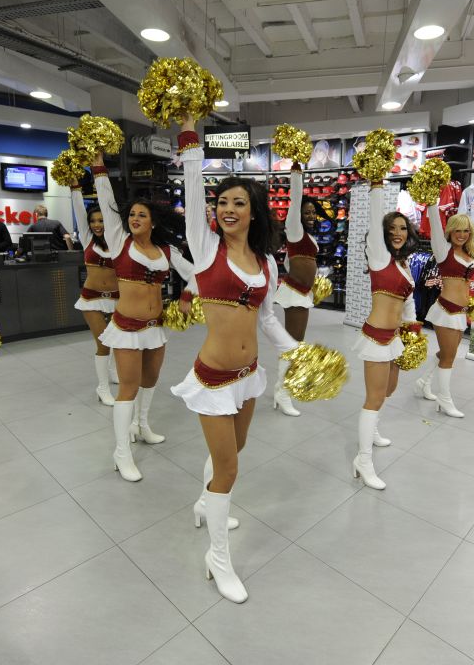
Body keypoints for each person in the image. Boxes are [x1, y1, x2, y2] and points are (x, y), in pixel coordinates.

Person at [169, 116, 300, 604]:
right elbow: (193, 181)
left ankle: (207, 501)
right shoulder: (205, 250)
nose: (227, 209)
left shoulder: (266, 263)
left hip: (249, 376)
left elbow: (267, 319)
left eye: (237, 203)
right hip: (213, 377)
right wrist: (189, 136)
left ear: (253, 211)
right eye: (221, 202)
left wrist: (296, 349)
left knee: (234, 453)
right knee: (229, 470)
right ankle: (217, 558)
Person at [91, 152, 195, 482]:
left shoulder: (167, 252)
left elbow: (197, 274)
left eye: (141, 215)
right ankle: (121, 452)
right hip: (126, 328)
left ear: (153, 222)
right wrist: (98, 167)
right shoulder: (119, 241)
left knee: (150, 382)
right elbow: (107, 203)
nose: (135, 218)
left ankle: (142, 425)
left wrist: (187, 296)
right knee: (128, 388)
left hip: (156, 328)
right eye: (132, 214)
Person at [348, 176, 421, 490]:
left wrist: (413, 327)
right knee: (374, 397)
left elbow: (408, 301)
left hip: (394, 338)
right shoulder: (378, 256)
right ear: (383, 233)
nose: (397, 233)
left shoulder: (404, 264)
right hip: (377, 337)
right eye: (391, 228)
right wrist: (377, 185)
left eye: (403, 228)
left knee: (388, 391)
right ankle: (363, 460)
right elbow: (378, 215)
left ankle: (373, 429)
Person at [412, 210, 474, 418]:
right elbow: (435, 224)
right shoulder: (443, 251)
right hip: (445, 310)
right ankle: (444, 399)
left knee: (445, 354)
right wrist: (432, 203)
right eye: (457, 230)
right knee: (449, 357)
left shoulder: (473, 253)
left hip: (461, 312)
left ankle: (424, 382)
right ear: (450, 232)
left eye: (466, 231)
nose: (461, 235)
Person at [269, 164, 322, 416]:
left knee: (294, 343)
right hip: (295, 292)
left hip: (303, 293)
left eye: (313, 212)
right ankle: (282, 392)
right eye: (307, 212)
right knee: (294, 344)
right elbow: (295, 200)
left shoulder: (308, 236)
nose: (310, 215)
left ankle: (281, 390)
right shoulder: (295, 230)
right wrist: (296, 175)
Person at [68, 187, 121, 406]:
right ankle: (102, 388)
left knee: (118, 341)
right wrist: (75, 188)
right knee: (103, 345)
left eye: (101, 220)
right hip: (92, 299)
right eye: (93, 221)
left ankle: (113, 372)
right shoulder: (88, 238)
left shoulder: (118, 241)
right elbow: (80, 211)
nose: (97, 225)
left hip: (118, 299)